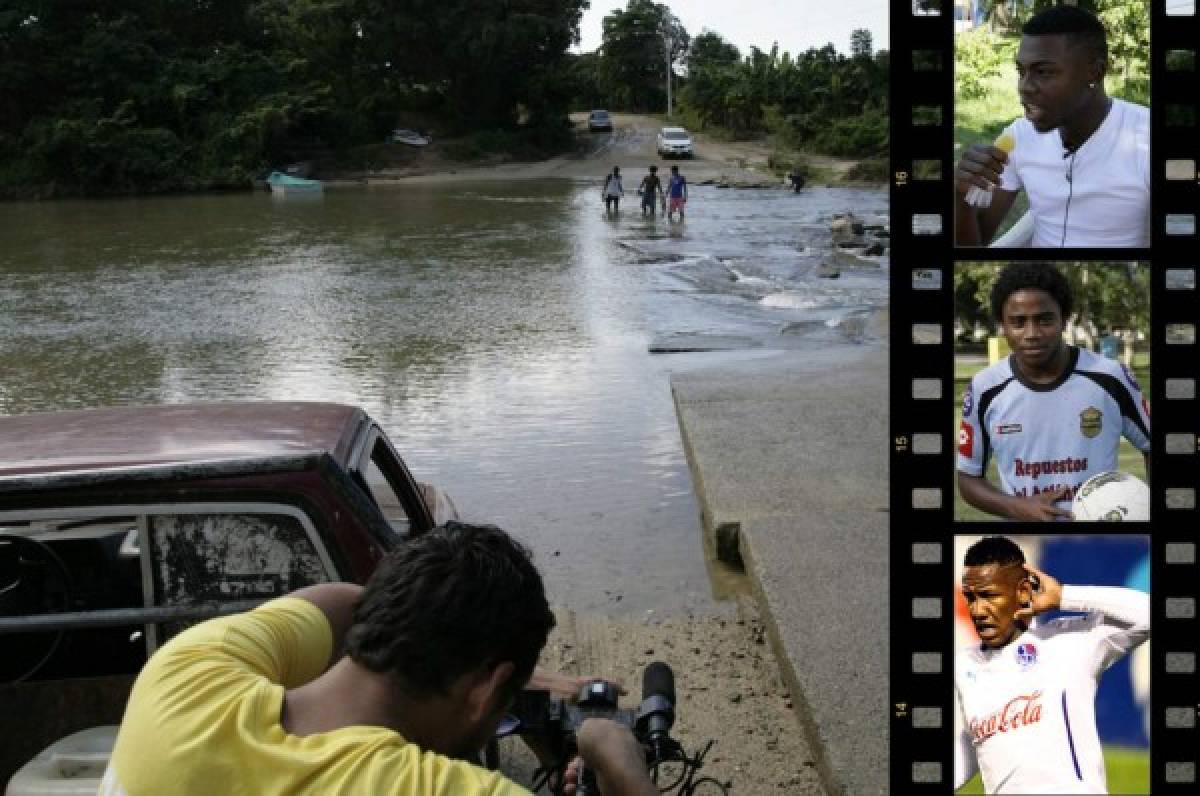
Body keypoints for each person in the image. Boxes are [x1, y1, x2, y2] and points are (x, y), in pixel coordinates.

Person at [101, 522, 657, 796]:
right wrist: (618, 761)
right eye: (502, 701)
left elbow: (343, 600)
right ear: (485, 691)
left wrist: (521, 674)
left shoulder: (186, 671)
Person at [953, 536, 1150, 794]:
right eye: (971, 597)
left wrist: (1064, 596)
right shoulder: (965, 665)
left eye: (990, 596)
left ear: (1022, 592)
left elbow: (1146, 614)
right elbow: (978, 740)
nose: (978, 610)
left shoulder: (1070, 641)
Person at [956, 263, 1150, 521]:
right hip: (1029, 546)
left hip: (1104, 542)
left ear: (1064, 319)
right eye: (1018, 322)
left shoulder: (1110, 377)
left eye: (1044, 320)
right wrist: (1019, 507)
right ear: (1002, 325)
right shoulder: (985, 387)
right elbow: (968, 479)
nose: (1032, 334)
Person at [954, 6, 1149, 247]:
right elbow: (975, 245)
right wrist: (962, 198)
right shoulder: (1018, 138)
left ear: (1095, 72)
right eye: (1021, 71)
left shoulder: (1144, 138)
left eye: (1043, 72)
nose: (1024, 87)